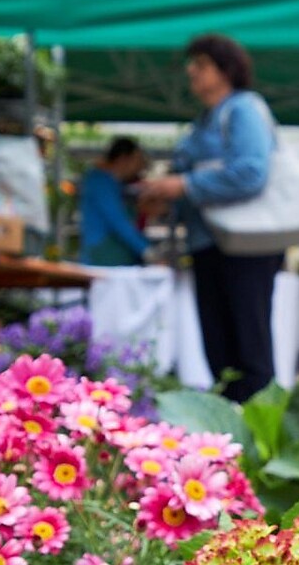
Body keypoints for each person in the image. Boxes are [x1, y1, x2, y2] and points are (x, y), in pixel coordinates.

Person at [136, 34, 280, 402]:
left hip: (247, 245)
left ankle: (259, 438)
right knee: (218, 351)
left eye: (200, 64)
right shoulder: (202, 123)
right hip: (206, 244)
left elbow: (251, 172)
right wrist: (165, 200)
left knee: (250, 350)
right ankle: (229, 438)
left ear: (225, 69)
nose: (191, 72)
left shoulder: (244, 109)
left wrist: (182, 185)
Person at [78, 136, 150, 267]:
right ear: (123, 158)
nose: (141, 167)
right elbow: (118, 221)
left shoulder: (116, 184)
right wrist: (148, 251)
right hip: (102, 260)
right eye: (138, 161)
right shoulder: (99, 182)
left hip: (115, 260)